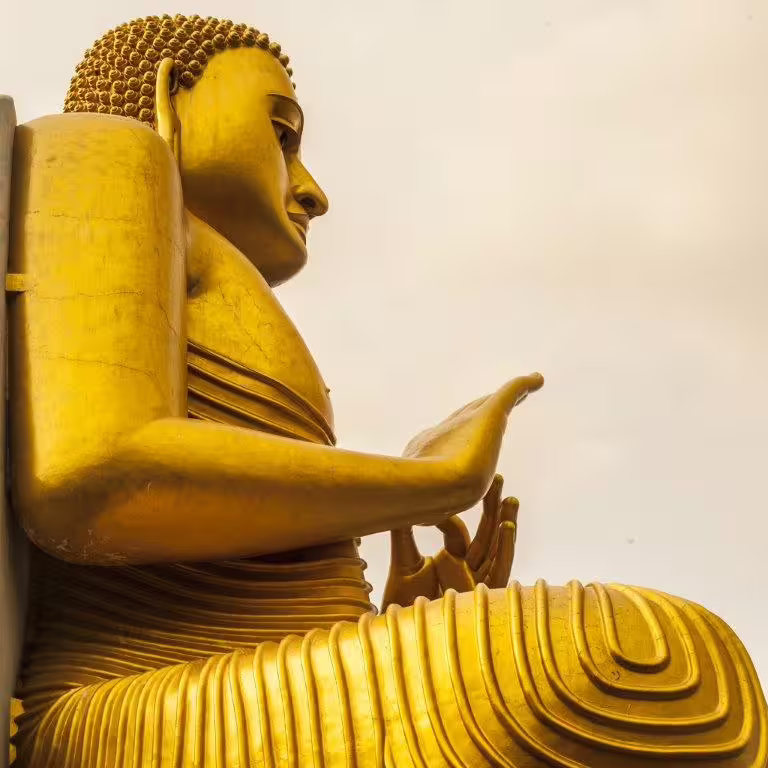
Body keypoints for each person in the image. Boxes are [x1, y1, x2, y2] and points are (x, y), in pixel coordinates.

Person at [8, 15, 766, 767]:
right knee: (645, 652)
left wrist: (392, 619)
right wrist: (431, 484)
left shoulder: (198, 262)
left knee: (667, 664)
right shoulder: (101, 152)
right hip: (136, 709)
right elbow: (88, 475)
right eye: (284, 135)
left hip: (251, 678)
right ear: (174, 92)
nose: (312, 191)